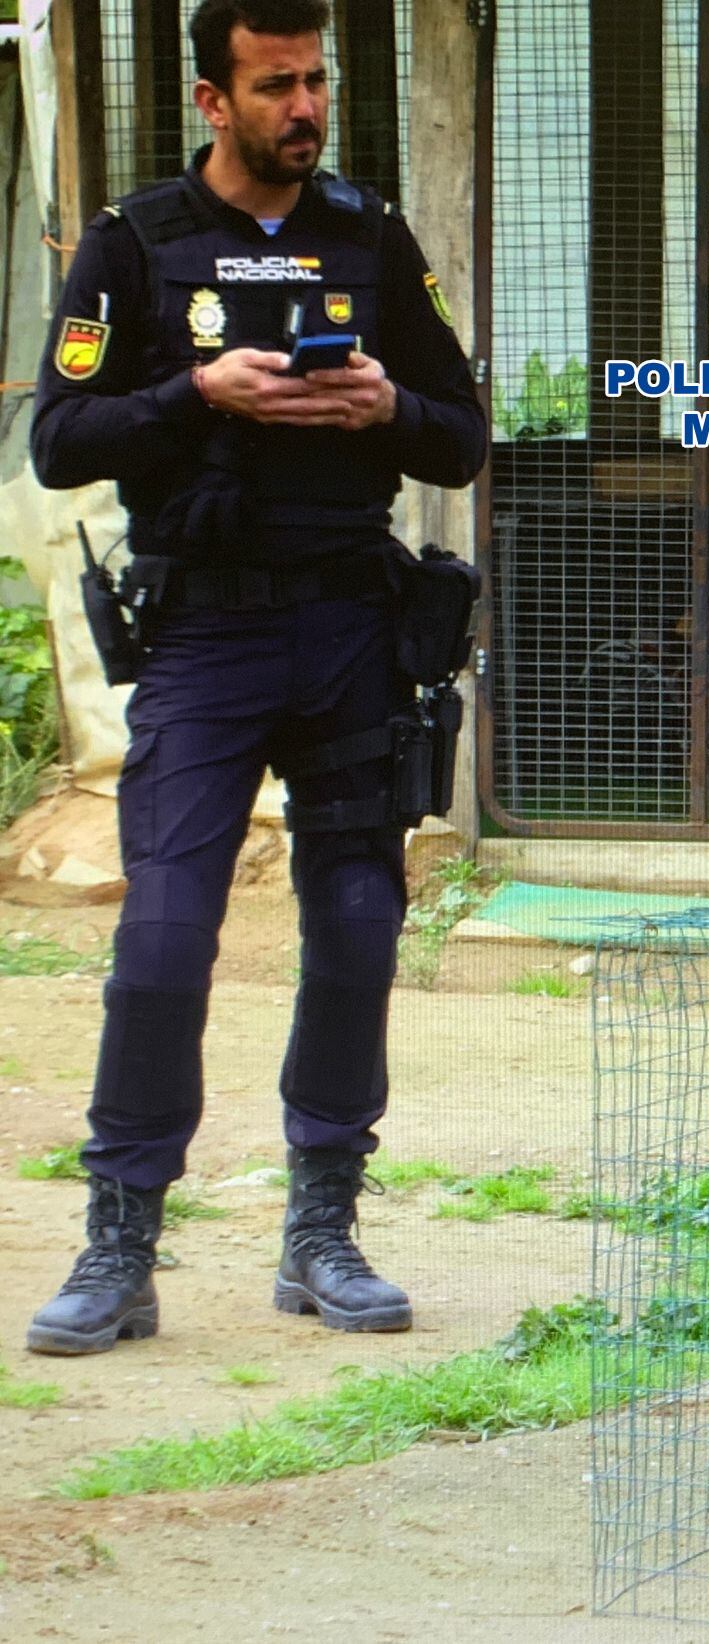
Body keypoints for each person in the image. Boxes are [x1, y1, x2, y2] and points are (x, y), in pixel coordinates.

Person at [25, 0, 487, 1356]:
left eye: (317, 81)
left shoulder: (370, 237)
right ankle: (119, 1246)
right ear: (211, 99)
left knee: (354, 932)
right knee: (163, 940)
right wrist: (197, 397)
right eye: (276, 84)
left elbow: (459, 436)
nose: (305, 106)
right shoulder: (133, 245)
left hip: (350, 627)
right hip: (205, 639)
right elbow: (58, 440)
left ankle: (323, 1233)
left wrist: (383, 410)